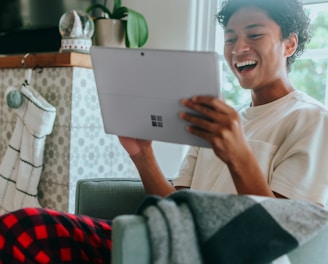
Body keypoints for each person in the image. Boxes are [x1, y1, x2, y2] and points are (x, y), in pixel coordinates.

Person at [1, 0, 328, 263]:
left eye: (254, 35)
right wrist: (142, 155)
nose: (238, 47)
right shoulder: (218, 119)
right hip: (170, 240)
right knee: (22, 228)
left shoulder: (310, 120)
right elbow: (176, 206)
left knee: (26, 229)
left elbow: (278, 231)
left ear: (289, 44)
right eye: (230, 38)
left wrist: (237, 154)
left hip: (218, 253)